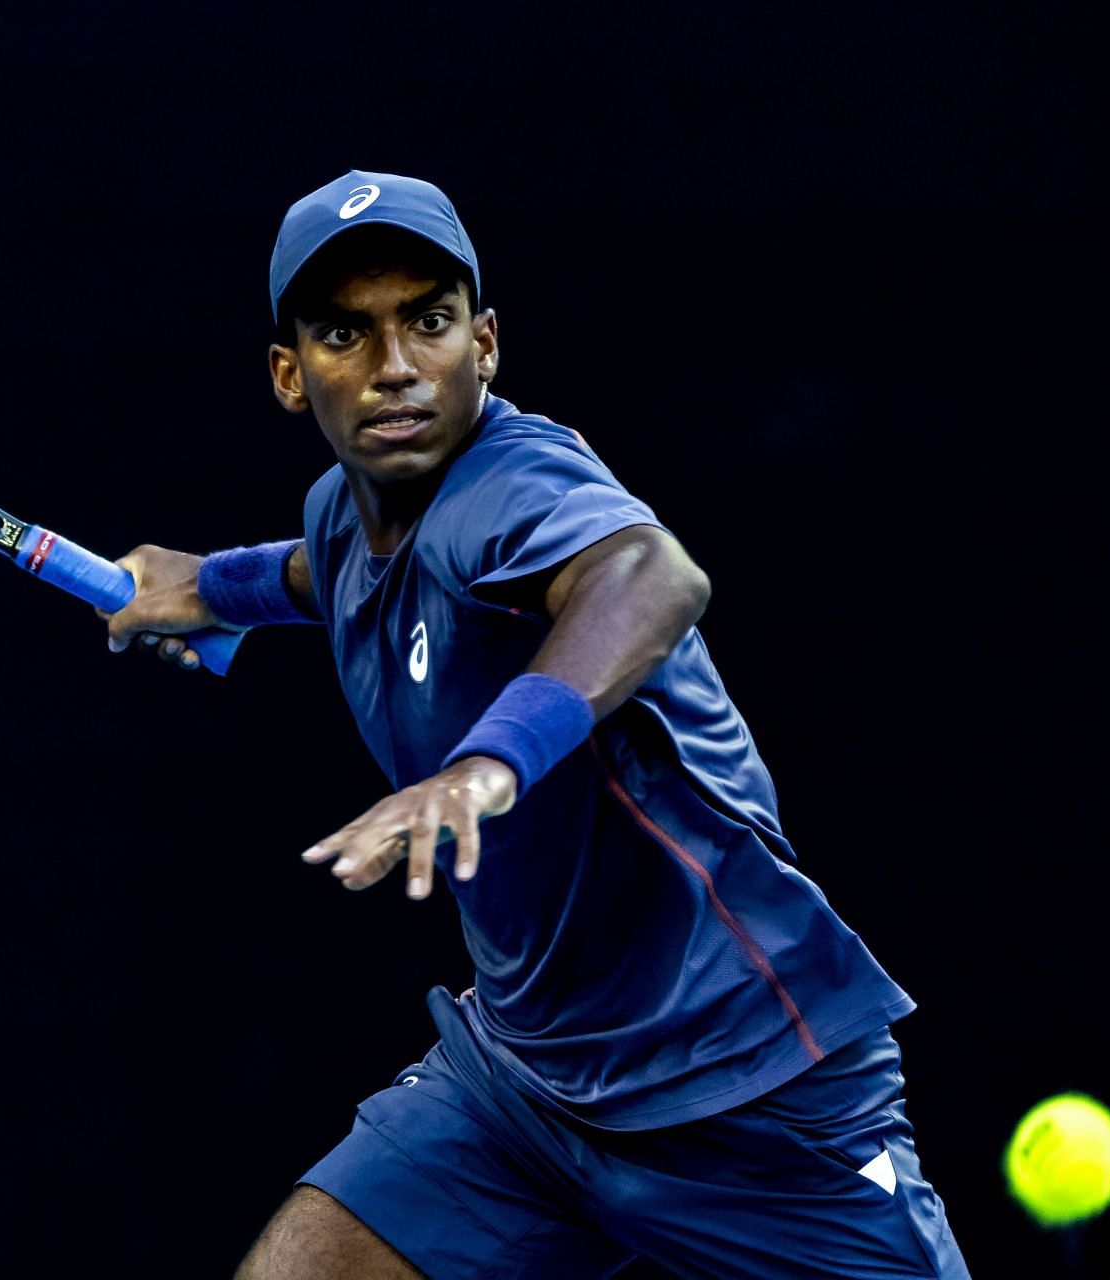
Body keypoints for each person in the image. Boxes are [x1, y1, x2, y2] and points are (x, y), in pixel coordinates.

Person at [102, 171, 970, 1280]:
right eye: (344, 334)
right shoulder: (351, 504)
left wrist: (482, 767)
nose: (396, 366)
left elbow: (649, 573)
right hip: (523, 1085)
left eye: (428, 320)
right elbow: (338, 568)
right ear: (289, 373)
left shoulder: (514, 483)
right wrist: (210, 587)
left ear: (487, 342)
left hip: (743, 1081)